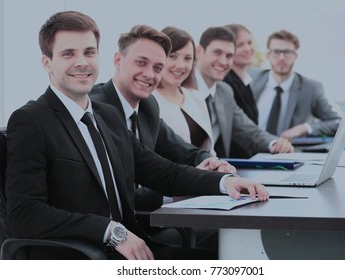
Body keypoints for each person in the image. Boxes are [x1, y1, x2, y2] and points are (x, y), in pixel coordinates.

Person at [5, 11, 269, 260]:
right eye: (68, 53)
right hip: (86, 256)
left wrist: (223, 182)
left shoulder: (106, 116)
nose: (82, 62)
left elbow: (164, 172)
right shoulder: (31, 120)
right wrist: (111, 231)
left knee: (233, 261)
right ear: (47, 63)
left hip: (132, 251)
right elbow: (25, 214)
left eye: (89, 52)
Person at [89, 25, 234, 217]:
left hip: (148, 220)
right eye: (141, 63)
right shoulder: (96, 108)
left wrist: (212, 163)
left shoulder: (148, 105)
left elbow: (182, 150)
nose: (150, 74)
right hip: (112, 229)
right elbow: (114, 196)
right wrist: (178, 192)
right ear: (118, 60)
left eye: (158, 68)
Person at [195, 26, 294, 158]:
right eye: (217, 53)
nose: (223, 61)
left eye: (229, 55)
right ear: (199, 51)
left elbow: (248, 131)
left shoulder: (224, 91)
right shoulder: (182, 88)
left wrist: (274, 143)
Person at [249, 29, 341, 140]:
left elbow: (338, 122)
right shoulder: (251, 79)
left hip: (287, 152)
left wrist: (304, 128)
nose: (282, 57)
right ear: (268, 55)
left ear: (295, 56)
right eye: (276, 52)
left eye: (287, 52)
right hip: (250, 150)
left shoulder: (310, 88)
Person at [151, 26, 214, 155]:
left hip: (203, 173)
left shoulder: (196, 98)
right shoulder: (148, 100)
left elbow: (210, 152)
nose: (181, 65)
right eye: (173, 56)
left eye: (188, 58)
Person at [223, 24, 259, 157]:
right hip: (236, 160)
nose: (248, 49)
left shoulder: (245, 80)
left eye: (249, 43)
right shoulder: (226, 82)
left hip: (250, 155)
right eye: (241, 44)